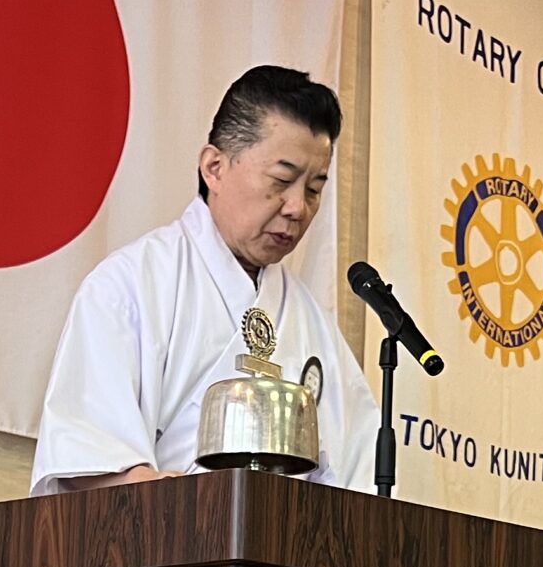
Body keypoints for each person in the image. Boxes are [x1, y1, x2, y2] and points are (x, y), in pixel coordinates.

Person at [31, 65, 376, 492]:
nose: (297, 208)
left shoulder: (313, 323)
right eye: (283, 180)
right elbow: (90, 461)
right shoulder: (130, 286)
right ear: (214, 167)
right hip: (165, 550)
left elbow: (359, 478)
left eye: (314, 189)